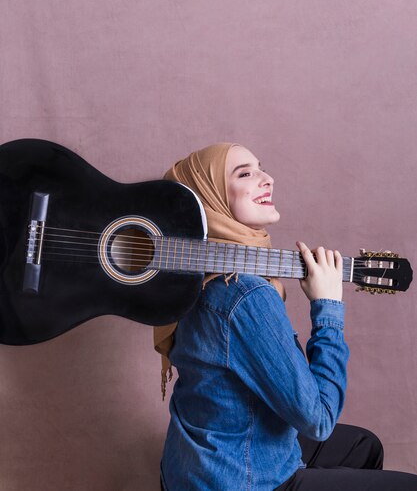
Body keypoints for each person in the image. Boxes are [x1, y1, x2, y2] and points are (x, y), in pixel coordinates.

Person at [154, 142, 417, 490]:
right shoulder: (244, 294)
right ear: (208, 197)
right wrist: (328, 308)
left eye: (261, 168)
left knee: (362, 446)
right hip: (237, 479)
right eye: (245, 173)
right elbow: (319, 420)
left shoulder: (189, 273)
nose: (268, 179)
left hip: (193, 465)